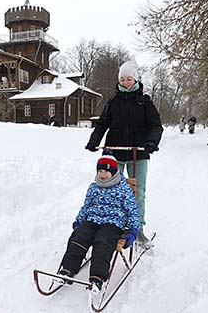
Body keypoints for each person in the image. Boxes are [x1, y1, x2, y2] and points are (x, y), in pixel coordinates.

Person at [85, 58, 163, 243]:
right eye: (122, 80)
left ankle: (138, 228)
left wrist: (151, 142)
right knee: (109, 189)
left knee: (138, 191)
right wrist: (94, 141)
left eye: (129, 79)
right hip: (115, 153)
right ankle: (112, 224)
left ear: (135, 79)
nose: (125, 82)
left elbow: (156, 126)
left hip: (139, 153)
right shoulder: (113, 102)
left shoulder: (144, 102)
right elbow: (102, 123)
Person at [58, 154, 141, 293]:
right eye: (100, 171)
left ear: (114, 172)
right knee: (78, 237)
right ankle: (68, 269)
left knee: (103, 242)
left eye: (106, 171)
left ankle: (97, 277)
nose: (102, 175)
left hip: (113, 223)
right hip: (92, 220)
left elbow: (132, 210)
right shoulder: (93, 187)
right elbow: (86, 206)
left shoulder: (123, 189)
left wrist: (133, 230)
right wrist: (79, 221)